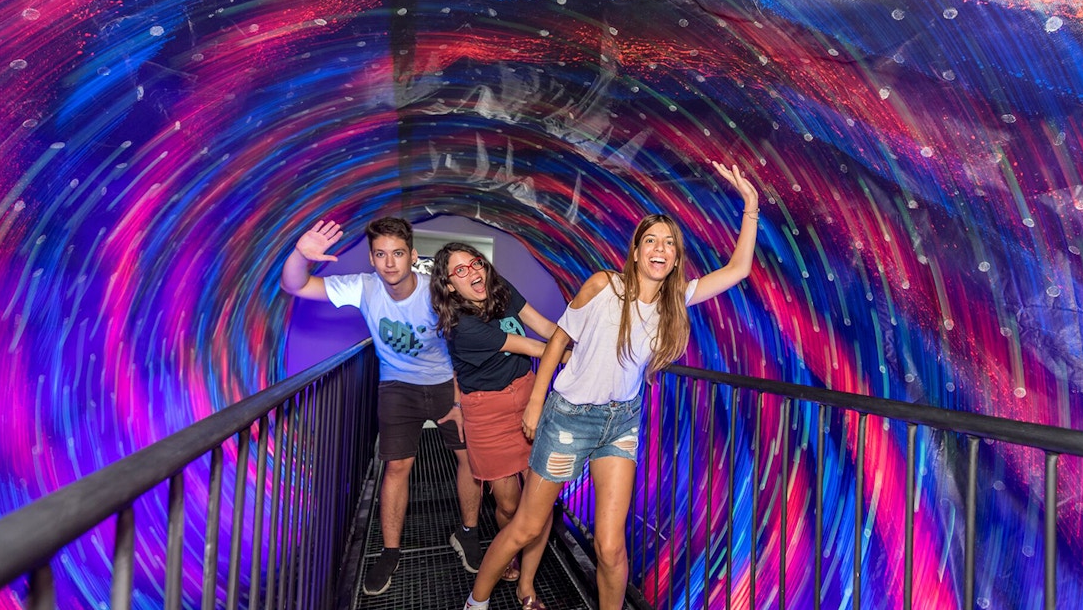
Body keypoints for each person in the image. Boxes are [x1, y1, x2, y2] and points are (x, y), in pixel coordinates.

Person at [463, 161, 760, 610]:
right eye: (650, 241)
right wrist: (535, 403)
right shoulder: (605, 286)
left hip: (621, 423)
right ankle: (476, 602)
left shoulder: (675, 302)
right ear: (637, 252)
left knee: (610, 547)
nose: (659, 249)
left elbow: (737, 270)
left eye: (669, 244)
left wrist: (751, 208)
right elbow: (559, 338)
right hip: (568, 419)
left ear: (676, 258)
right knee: (526, 525)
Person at [280, 216, 483, 596]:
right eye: (381, 254)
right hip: (396, 387)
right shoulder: (363, 286)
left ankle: (468, 533)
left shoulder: (434, 291)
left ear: (412, 256)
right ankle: (391, 552)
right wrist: (299, 255)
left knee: (468, 457)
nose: (390, 262)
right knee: (396, 467)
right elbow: (295, 285)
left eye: (398, 253)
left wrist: (458, 396)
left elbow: (465, 340)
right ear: (372, 260)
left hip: (443, 384)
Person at [430, 243, 567, 610]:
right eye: (460, 270)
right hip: (488, 414)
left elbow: (546, 328)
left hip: (528, 397)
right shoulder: (463, 328)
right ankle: (507, 549)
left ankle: (527, 583)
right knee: (509, 504)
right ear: (448, 286)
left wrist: (581, 345)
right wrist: (582, 358)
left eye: (476, 262)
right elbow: (535, 347)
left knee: (540, 502)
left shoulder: (500, 287)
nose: (474, 271)